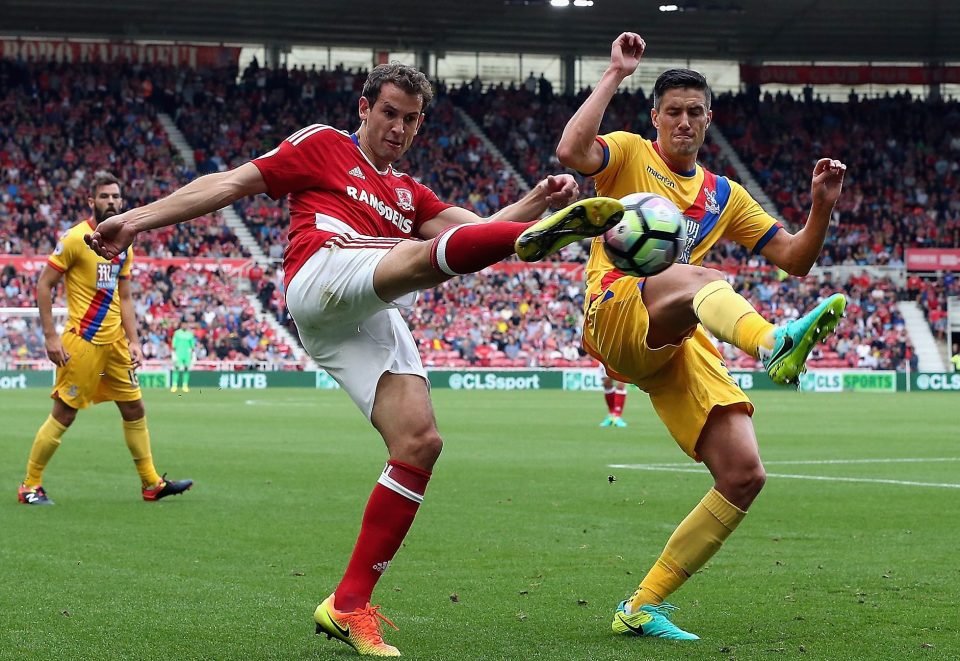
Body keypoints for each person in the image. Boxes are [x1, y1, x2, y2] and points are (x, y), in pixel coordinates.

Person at [85, 62, 624, 657]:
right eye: (389, 113)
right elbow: (231, 184)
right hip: (321, 273)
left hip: (365, 307)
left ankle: (347, 605)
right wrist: (133, 221)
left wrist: (533, 203)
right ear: (364, 108)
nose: (398, 127)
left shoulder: (407, 192)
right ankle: (557, 233)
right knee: (420, 257)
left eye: (411, 120)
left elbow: (477, 234)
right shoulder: (324, 145)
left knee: (420, 442)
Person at [556, 33, 848, 640]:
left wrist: (820, 207)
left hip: (676, 337)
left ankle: (641, 605)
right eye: (673, 112)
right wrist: (614, 73)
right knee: (697, 275)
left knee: (744, 473)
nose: (684, 122)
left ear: (708, 119)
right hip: (613, 308)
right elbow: (571, 150)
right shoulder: (631, 154)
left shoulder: (724, 196)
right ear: (655, 118)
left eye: (695, 112)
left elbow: (794, 259)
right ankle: (771, 344)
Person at [18, 174, 194, 507]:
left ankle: (151, 483)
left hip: (115, 344)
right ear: (91, 201)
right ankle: (30, 485)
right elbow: (44, 286)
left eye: (115, 196)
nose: (111, 202)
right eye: (104, 196)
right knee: (64, 413)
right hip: (82, 341)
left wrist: (134, 341)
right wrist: (50, 336)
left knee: (134, 408)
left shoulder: (124, 242)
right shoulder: (75, 238)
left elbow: (124, 296)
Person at [598, 363, 629, 428]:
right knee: (606, 384)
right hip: (605, 356)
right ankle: (611, 415)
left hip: (621, 356)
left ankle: (617, 416)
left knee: (621, 383)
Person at [170, 321, 197, 392]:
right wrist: (173, 353)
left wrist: (193, 354)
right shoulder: (177, 333)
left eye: (185, 324)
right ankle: (174, 385)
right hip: (178, 353)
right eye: (183, 324)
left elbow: (192, 345)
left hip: (187, 354)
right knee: (176, 369)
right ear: (181, 325)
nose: (184, 326)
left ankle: (185, 385)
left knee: (186, 369)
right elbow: (174, 344)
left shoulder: (190, 334)